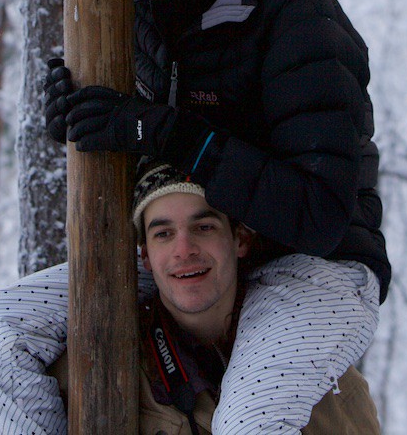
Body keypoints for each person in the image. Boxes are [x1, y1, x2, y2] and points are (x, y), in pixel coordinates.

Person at [0, 0, 390, 434]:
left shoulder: (303, 20)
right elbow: (147, 144)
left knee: (248, 424)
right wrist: (79, 118)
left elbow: (317, 215)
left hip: (312, 267)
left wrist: (157, 129)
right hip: (189, 242)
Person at [46, 160, 382, 435]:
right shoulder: (98, 361)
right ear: (145, 256)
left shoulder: (312, 370)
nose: (184, 250)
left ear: (240, 240)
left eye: (203, 227)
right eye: (163, 234)